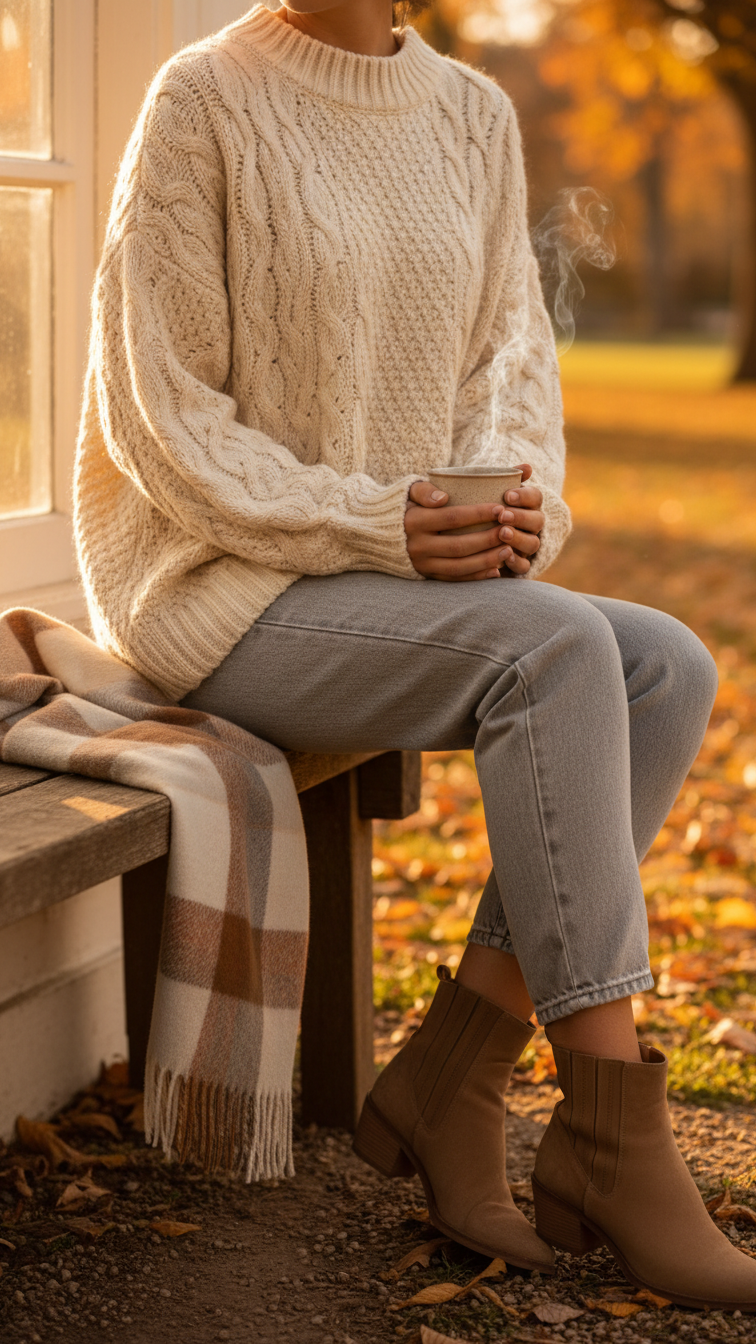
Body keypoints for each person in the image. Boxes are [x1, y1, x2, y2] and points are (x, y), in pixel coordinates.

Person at [74, 0, 756, 1313]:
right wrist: (377, 522)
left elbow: (514, 366)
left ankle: (454, 1080)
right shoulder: (200, 100)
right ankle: (613, 1135)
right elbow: (160, 416)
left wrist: (514, 504)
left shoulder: (471, 116)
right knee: (556, 650)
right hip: (228, 592)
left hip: (400, 582)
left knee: (667, 664)